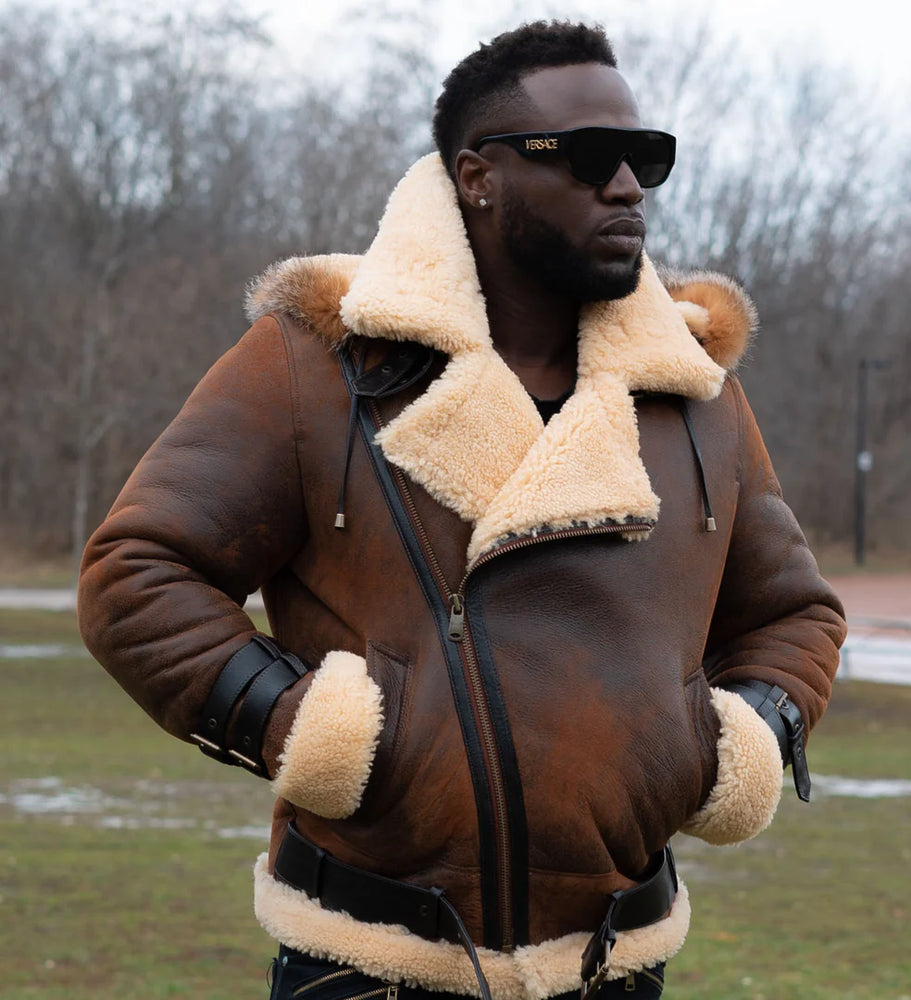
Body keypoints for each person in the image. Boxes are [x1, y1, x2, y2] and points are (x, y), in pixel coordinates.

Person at [78, 20, 846, 1000]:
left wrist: (739, 738)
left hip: (621, 963)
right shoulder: (320, 362)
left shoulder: (694, 392)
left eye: (643, 158)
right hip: (368, 966)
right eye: (587, 159)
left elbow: (795, 613)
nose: (626, 187)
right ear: (477, 178)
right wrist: (301, 730)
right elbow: (136, 571)